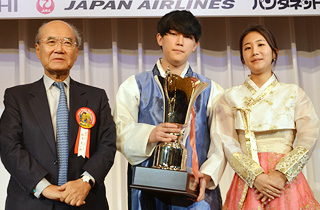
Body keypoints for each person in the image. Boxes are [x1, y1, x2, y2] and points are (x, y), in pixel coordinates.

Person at [114, 10, 225, 210]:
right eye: (173, 34)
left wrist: (208, 174)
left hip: (196, 188)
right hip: (147, 189)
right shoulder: (134, 85)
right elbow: (120, 133)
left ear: (195, 45)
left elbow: (221, 142)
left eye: (188, 37)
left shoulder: (211, 89)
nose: (180, 42)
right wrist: (150, 134)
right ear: (159, 38)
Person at [0, 20, 116, 210]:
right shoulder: (17, 97)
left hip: (84, 200)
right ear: (38, 50)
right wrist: (44, 186)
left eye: (67, 43)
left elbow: (107, 144)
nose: (59, 49)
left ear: (76, 52)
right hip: (31, 201)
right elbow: (9, 146)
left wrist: (85, 181)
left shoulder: (96, 96)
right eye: (51, 42)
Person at [215, 24, 320, 209]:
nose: (254, 51)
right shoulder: (230, 97)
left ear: (274, 53)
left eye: (261, 45)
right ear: (242, 58)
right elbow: (227, 141)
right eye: (247, 48)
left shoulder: (294, 93)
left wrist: (282, 175)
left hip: (285, 183)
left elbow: (308, 137)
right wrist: (255, 176)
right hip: (249, 182)